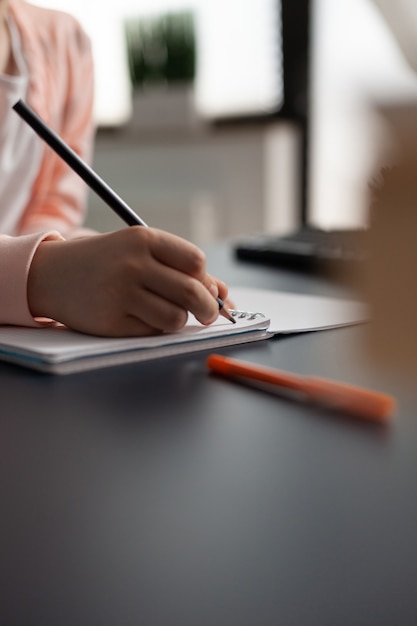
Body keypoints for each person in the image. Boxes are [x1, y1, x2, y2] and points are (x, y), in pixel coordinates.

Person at [0, 0, 230, 337]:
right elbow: (47, 268)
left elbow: (50, 216)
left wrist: (117, 264)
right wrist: (40, 276)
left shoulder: (65, 42)